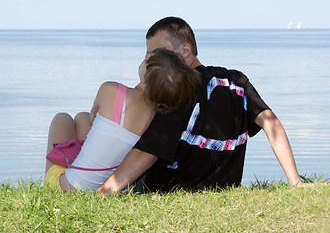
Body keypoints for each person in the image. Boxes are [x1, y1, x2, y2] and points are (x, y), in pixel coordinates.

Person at [97, 16, 319, 195]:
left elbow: (148, 152)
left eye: (158, 53)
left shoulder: (180, 88)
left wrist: (104, 192)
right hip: (225, 186)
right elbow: (272, 125)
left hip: (168, 187)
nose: (151, 60)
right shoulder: (237, 81)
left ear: (185, 50)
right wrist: (295, 181)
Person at [44, 48, 201, 191]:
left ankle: (52, 184)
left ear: (146, 71)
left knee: (63, 118)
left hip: (68, 187)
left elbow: (93, 116)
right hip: (109, 186)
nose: (144, 58)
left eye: (147, 60)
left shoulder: (111, 89)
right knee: (81, 118)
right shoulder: (160, 117)